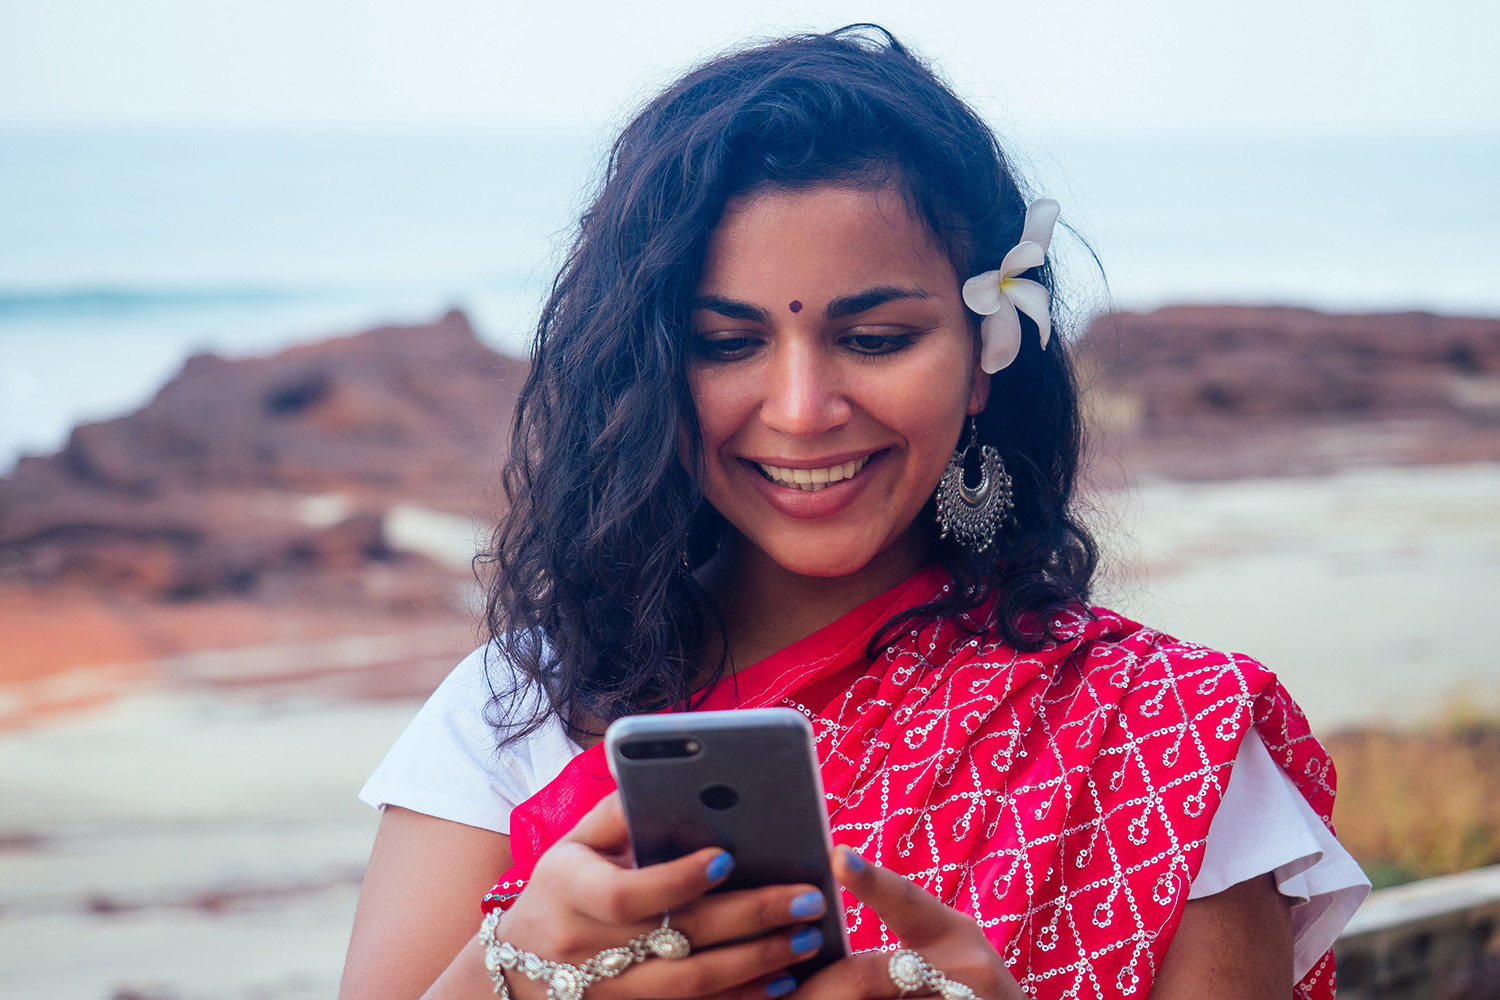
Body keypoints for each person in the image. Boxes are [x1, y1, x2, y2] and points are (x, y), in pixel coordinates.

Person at [342, 25, 1368, 1000]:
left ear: (983, 361)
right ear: (653, 373)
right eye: (727, 343)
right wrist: (517, 964)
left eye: (875, 338)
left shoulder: (1167, 743)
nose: (801, 411)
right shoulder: (515, 713)